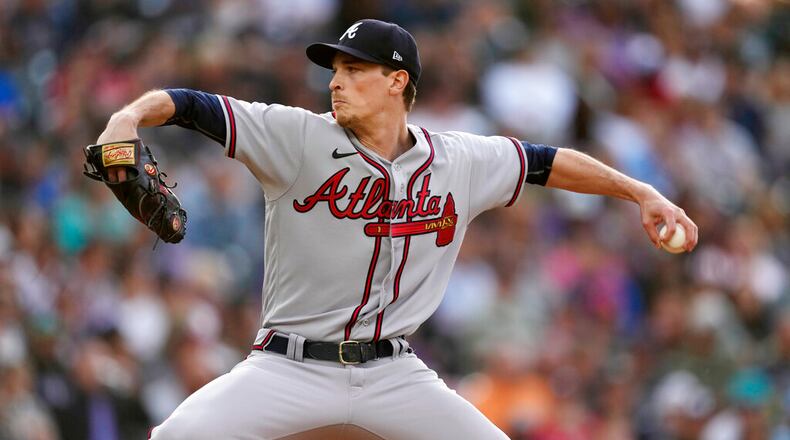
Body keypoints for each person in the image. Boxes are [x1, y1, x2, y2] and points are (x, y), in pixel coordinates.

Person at [95, 19, 698, 440]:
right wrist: (127, 116)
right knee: (176, 437)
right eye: (334, 69)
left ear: (397, 81)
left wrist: (641, 192)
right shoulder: (297, 136)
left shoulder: (458, 159)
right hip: (288, 365)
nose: (335, 81)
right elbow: (192, 105)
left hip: (393, 373)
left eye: (354, 69)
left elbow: (546, 162)